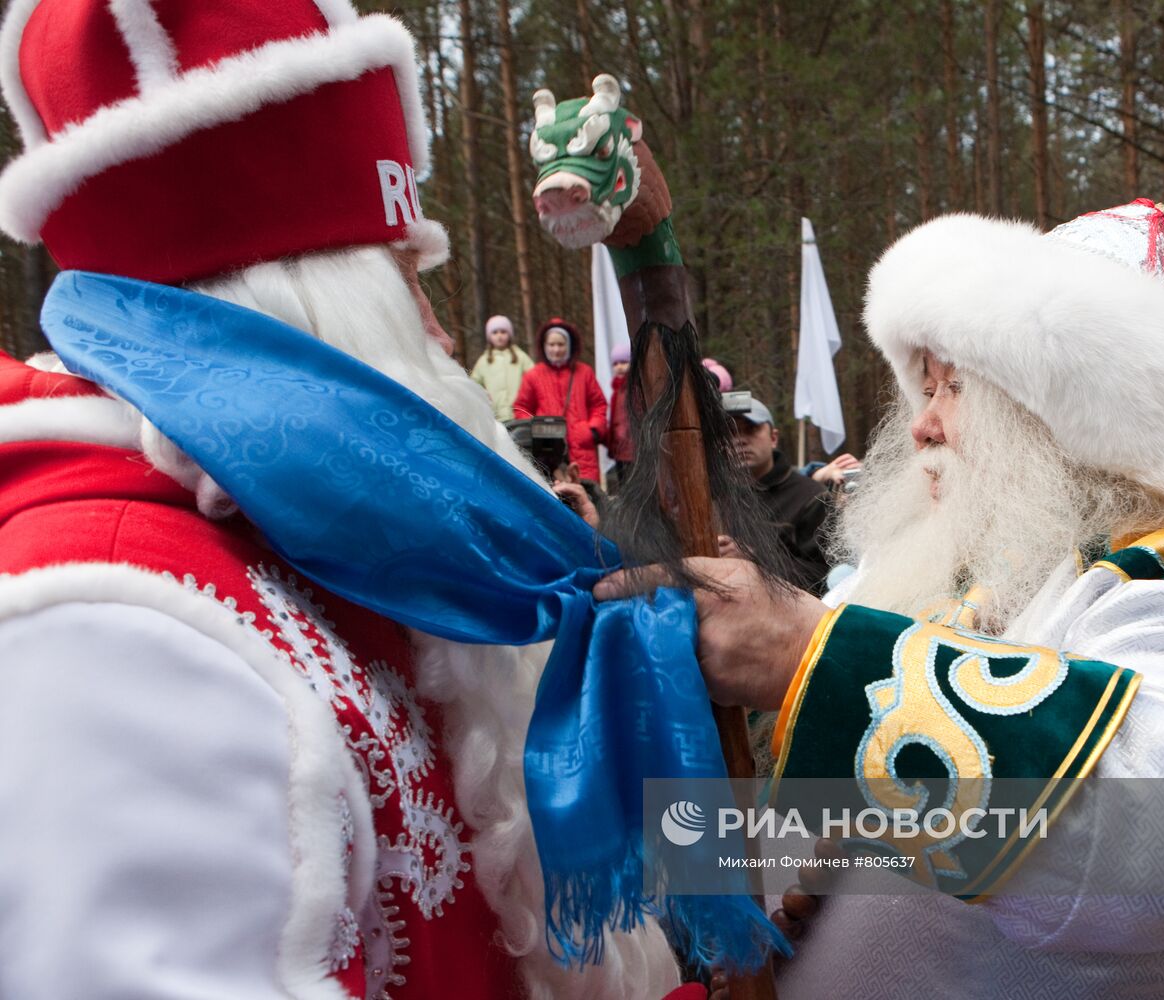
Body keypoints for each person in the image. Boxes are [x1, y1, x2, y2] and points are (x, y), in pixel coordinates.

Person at [0, 3, 681, 998]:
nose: (443, 338)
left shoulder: (331, 553)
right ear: (312, 307)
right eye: (411, 281)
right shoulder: (123, 633)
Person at [598, 200, 1164, 999]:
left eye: (951, 387)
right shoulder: (978, 581)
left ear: (1072, 414)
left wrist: (811, 661)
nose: (918, 426)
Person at [724, 394, 831, 595]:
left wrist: (756, 559)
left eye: (750, 429)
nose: (739, 441)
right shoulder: (706, 498)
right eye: (729, 432)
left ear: (773, 438)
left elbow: (827, 578)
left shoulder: (810, 498)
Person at [513, 318, 607, 481]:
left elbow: (598, 405)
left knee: (588, 499)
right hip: (549, 453)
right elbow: (521, 408)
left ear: (569, 345)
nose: (556, 349)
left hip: (582, 451)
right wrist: (538, 431)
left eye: (560, 344)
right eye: (551, 345)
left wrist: (591, 430)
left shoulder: (584, 372)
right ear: (544, 346)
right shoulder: (532, 376)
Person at [470, 314, 534, 421]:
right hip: (495, 416)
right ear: (489, 336)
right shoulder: (484, 360)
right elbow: (473, 384)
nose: (499, 336)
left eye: (503, 332)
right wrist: (484, 399)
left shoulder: (520, 356)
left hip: (519, 414)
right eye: (495, 332)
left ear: (509, 334)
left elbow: (534, 376)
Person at [607, 342, 634, 489]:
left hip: (633, 450)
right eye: (615, 363)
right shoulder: (617, 390)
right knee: (623, 487)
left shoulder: (634, 388)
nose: (619, 367)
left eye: (624, 362)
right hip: (620, 450)